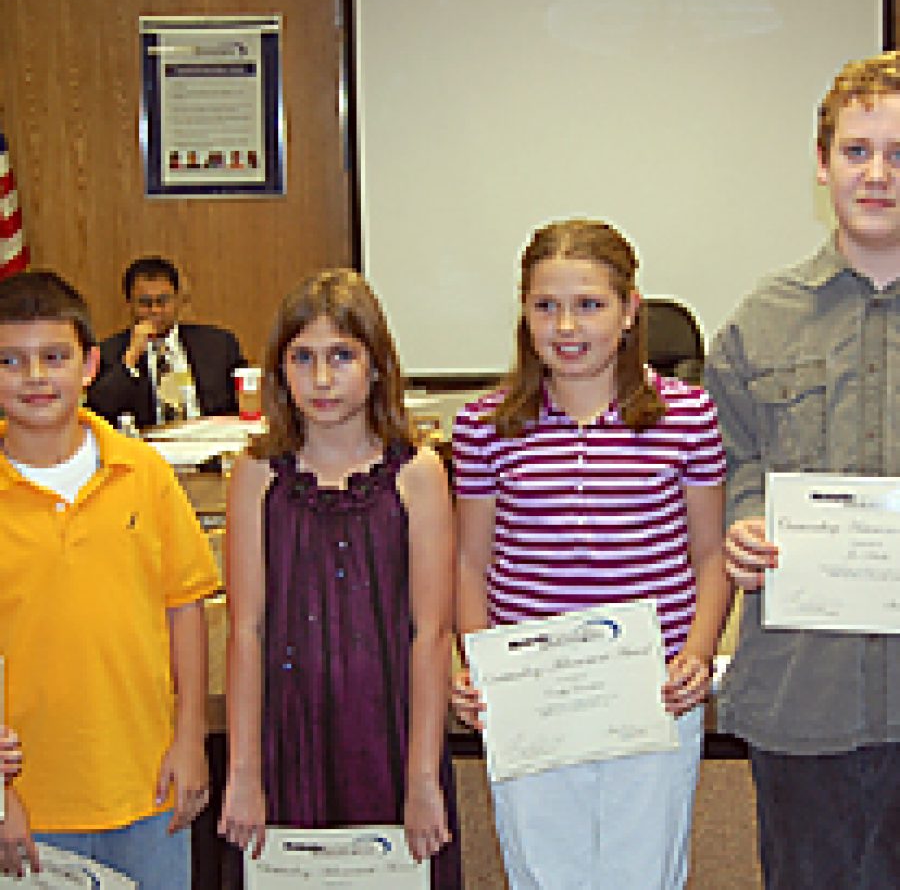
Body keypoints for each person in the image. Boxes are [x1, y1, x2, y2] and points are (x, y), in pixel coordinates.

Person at [452, 219, 730, 889]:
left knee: (644, 870)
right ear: (523, 313)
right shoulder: (486, 426)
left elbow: (710, 554)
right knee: (544, 871)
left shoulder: (687, 416)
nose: (566, 327)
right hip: (533, 695)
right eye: (546, 306)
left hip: (652, 693)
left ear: (630, 311)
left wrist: (696, 652)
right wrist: (477, 660)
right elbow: (469, 562)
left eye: (590, 305)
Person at [704, 50, 899, 889]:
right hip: (804, 693)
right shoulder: (762, 320)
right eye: (858, 151)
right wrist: (743, 523)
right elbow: (731, 459)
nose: (879, 173)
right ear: (823, 166)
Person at [217, 268, 462, 887]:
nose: (322, 379)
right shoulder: (256, 476)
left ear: (377, 365)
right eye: (303, 358)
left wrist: (424, 778)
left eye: (342, 357)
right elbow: (244, 630)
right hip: (286, 733)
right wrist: (244, 774)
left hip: (390, 736)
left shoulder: (418, 474)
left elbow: (431, 635)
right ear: (279, 371)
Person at [0, 270, 219, 885]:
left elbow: (185, 610)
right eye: (11, 361)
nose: (36, 377)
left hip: (147, 788)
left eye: (54, 357)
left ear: (91, 363)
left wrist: (192, 742)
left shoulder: (144, 474)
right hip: (28, 805)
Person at [87, 256, 247, 428]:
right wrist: (130, 359)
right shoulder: (109, 352)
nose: (155, 310)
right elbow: (97, 411)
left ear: (178, 300)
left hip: (211, 442)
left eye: (163, 301)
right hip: (146, 448)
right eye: (145, 303)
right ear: (129, 304)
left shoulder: (218, 344)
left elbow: (247, 396)